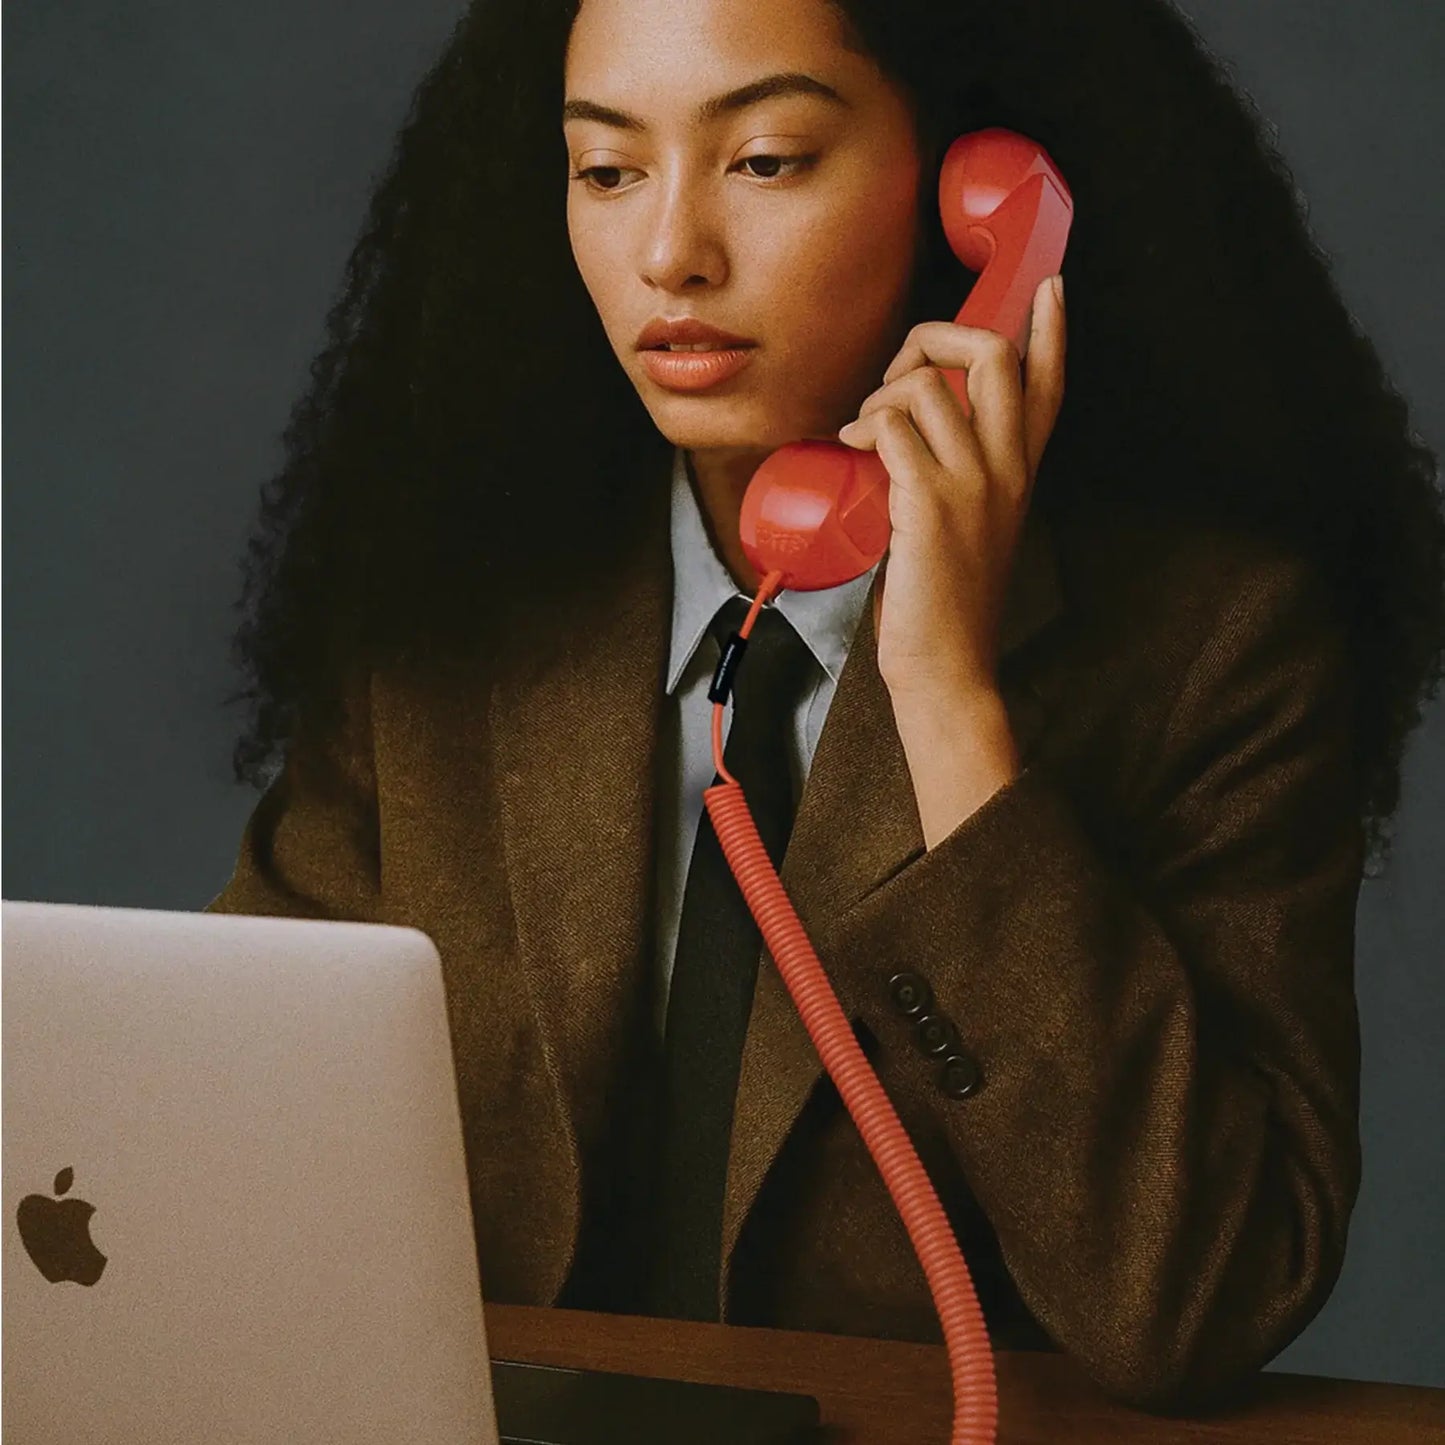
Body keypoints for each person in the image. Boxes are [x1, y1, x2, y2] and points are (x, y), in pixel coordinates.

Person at [205, 0, 1445, 1415]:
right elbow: (216, 1147)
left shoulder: (1214, 648)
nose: (669, 250)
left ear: (980, 194)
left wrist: (947, 699)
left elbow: (1196, 1298)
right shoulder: (442, 630)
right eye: (606, 170)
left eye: (767, 158)